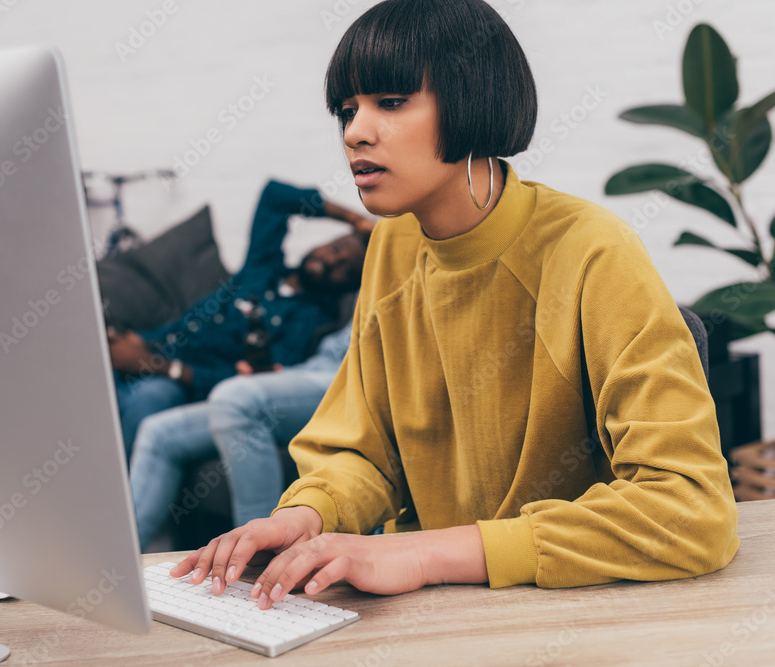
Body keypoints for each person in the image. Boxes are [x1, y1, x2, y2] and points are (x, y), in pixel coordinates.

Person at [170, 0, 739, 607]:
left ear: (473, 99)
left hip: (568, 611)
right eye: (347, 110)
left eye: (390, 102)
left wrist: (422, 552)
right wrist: (310, 512)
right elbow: (366, 451)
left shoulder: (594, 252)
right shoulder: (392, 246)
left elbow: (690, 508)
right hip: (425, 612)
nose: (355, 132)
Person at [108, 180, 373, 456]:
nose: (332, 261)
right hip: (144, 347)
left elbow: (255, 383)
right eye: (337, 248)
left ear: (351, 286)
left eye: (347, 269)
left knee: (148, 398)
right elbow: (275, 197)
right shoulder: (263, 267)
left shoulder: (312, 321)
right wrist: (354, 218)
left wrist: (157, 366)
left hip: (175, 383)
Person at [130, 320, 353, 550]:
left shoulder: (315, 302)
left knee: (234, 399)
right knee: (159, 431)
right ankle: (115, 564)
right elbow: (322, 362)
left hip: (352, 379)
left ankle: (258, 556)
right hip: (314, 370)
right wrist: (281, 375)